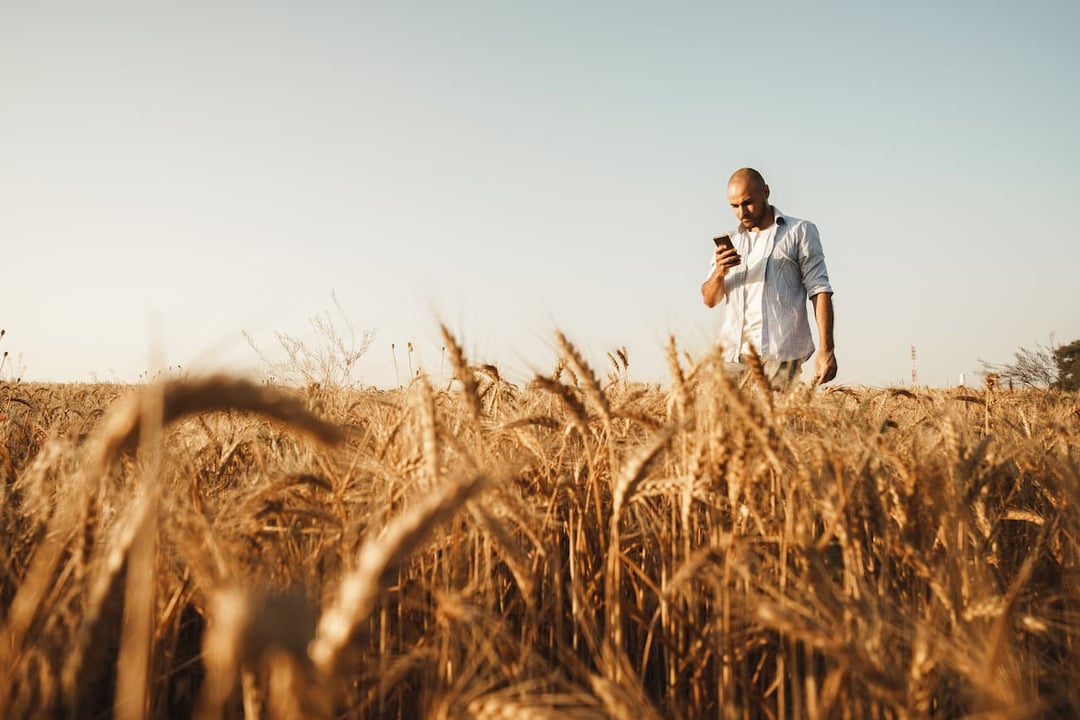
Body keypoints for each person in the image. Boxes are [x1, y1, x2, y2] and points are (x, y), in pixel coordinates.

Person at [700, 168, 837, 386]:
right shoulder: (731, 240)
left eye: (748, 202)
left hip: (779, 356)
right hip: (731, 357)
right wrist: (719, 272)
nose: (742, 212)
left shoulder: (799, 231)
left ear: (766, 191)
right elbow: (709, 300)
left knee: (775, 420)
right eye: (734, 206)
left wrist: (826, 348)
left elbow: (819, 290)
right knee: (723, 420)